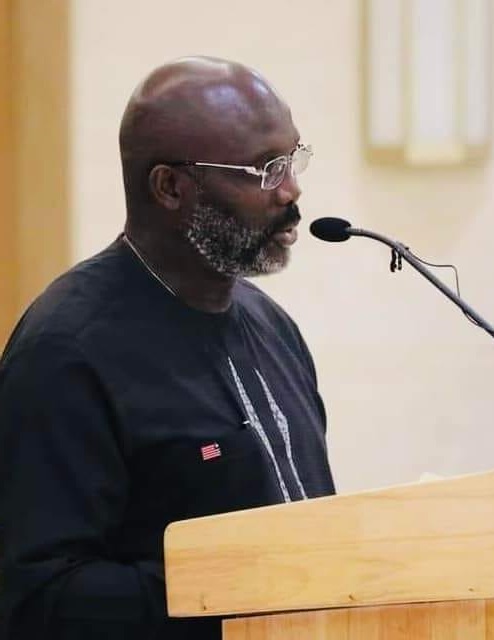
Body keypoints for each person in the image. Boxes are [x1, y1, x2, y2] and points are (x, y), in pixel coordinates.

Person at [0, 56, 335, 639]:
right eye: (263, 169)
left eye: (292, 159)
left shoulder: (270, 324)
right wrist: (241, 588)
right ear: (172, 187)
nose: (291, 189)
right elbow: (37, 598)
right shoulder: (66, 353)